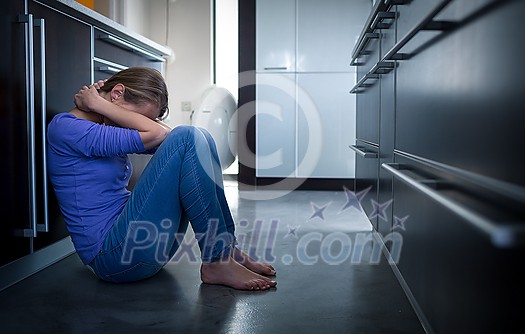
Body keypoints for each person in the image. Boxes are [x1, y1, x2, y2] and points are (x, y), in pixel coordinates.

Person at [47, 67, 276, 291]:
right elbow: (163, 135)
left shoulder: (104, 124)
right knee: (187, 136)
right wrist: (102, 104)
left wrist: (105, 105)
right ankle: (217, 261)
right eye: (137, 117)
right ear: (116, 94)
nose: (132, 123)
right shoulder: (67, 128)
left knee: (201, 138)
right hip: (113, 257)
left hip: (142, 248)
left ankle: (227, 251)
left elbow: (169, 138)